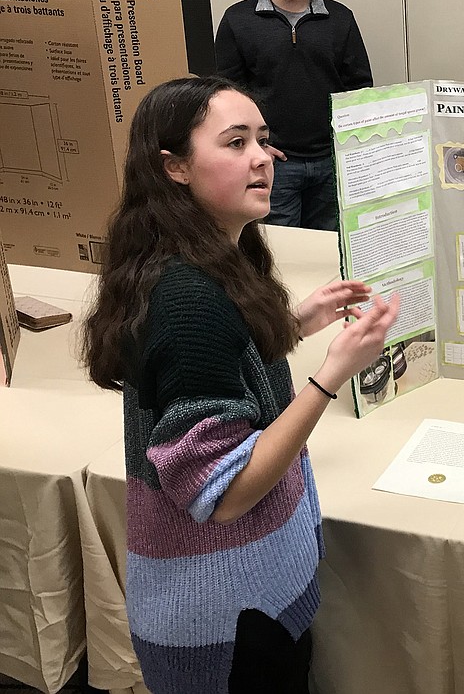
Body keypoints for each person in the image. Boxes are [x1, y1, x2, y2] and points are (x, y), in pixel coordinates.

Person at [81, 77, 398, 693]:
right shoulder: (187, 298)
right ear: (173, 167)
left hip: (247, 596)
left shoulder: (214, 258)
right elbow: (223, 492)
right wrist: (332, 374)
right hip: (222, 622)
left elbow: (227, 369)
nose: (262, 159)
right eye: (234, 142)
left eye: (263, 140)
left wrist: (292, 324)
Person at [215, 0, 373, 230]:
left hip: (332, 160)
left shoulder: (340, 19)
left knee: (329, 247)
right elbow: (226, 95)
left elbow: (360, 86)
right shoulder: (238, 20)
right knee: (282, 249)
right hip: (272, 162)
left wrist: (350, 144)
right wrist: (256, 147)